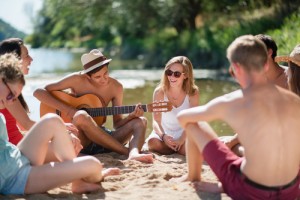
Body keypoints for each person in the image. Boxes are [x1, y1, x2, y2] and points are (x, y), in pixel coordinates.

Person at [173, 35, 300, 199]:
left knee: (193, 122)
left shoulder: (233, 100)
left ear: (235, 69)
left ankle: (193, 176)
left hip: (250, 190)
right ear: (267, 64)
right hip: (290, 191)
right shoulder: (293, 99)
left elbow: (183, 117)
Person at [0, 53, 120, 195]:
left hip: (17, 157)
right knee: (93, 165)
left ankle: (78, 179)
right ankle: (79, 176)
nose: (9, 102)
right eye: (10, 95)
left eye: (14, 98)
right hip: (17, 178)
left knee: (53, 120)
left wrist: (64, 133)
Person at [34, 49, 154, 163]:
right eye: (98, 77)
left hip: (104, 139)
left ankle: (134, 154)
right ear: (87, 76)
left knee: (141, 121)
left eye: (106, 73)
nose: (104, 79)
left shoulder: (116, 87)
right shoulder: (76, 80)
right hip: (80, 139)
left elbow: (117, 124)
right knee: (81, 115)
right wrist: (70, 111)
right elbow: (38, 92)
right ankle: (125, 152)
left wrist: (130, 117)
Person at [223, 34, 289, 156]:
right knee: (222, 141)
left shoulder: (290, 78)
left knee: (231, 145)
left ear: (269, 52)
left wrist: (233, 141)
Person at [146, 56, 199, 155]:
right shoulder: (159, 92)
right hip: (164, 133)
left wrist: (182, 139)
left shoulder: (193, 92)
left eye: (177, 74)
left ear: (186, 75)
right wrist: (163, 136)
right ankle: (175, 149)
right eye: (169, 72)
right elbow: (156, 121)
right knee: (152, 143)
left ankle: (175, 148)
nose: (171, 77)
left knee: (191, 147)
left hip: (185, 133)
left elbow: (193, 121)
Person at [0, 38, 35, 145]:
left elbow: (21, 127)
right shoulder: (5, 91)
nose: (31, 59)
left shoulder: (8, 88)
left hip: (16, 145)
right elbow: (27, 124)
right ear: (15, 60)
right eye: (26, 56)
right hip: (15, 150)